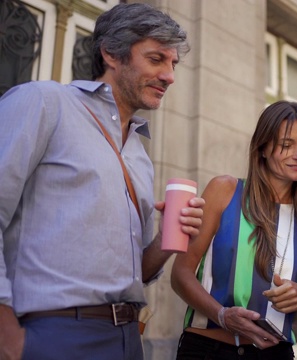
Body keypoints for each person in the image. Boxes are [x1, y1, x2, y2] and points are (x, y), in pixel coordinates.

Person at [0, 3, 205, 360]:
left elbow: (134, 273)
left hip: (127, 338)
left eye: (173, 64)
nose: (170, 75)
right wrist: (7, 336)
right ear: (111, 53)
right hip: (53, 334)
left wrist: (165, 242)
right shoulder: (44, 102)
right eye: (156, 59)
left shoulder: (139, 153)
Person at [171, 100, 297, 359]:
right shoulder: (225, 191)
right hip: (208, 349)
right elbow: (180, 275)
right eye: (287, 145)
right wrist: (222, 315)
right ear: (262, 148)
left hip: (274, 354)